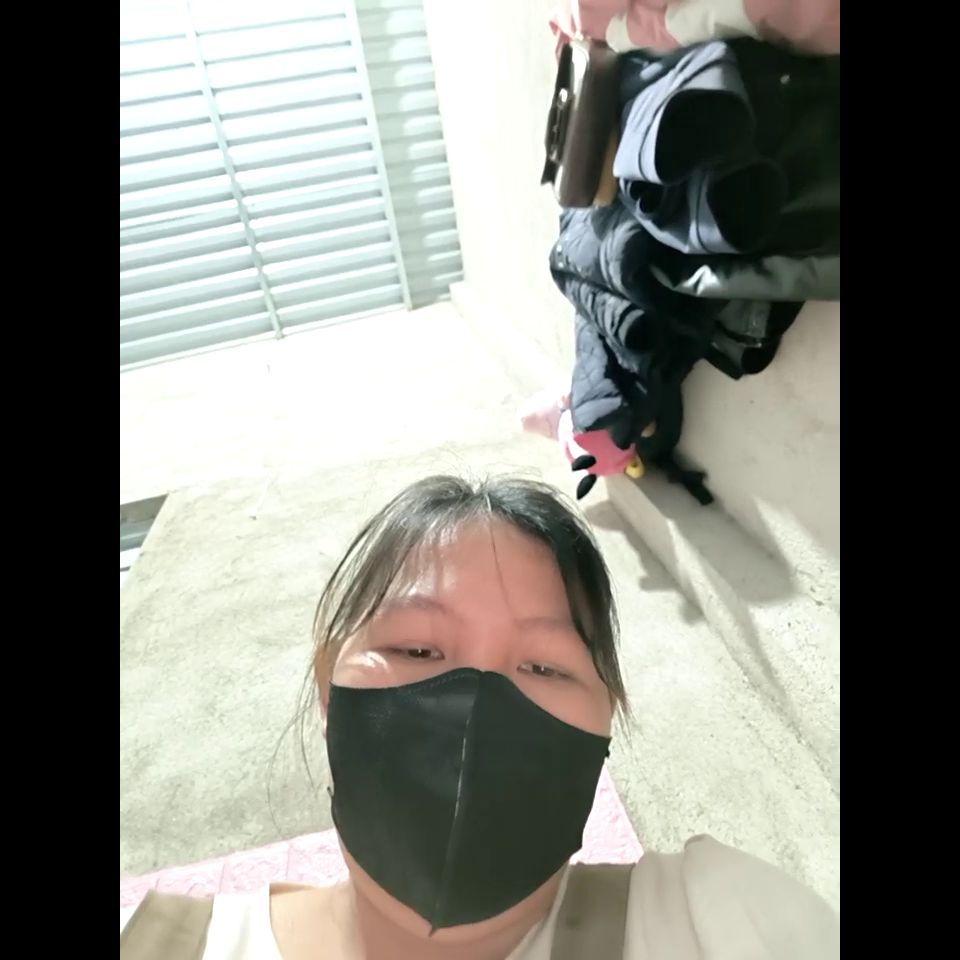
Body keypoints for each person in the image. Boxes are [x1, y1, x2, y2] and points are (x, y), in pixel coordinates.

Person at [120, 475, 839, 959]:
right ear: (328, 691)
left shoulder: (721, 924)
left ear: (604, 727)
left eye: (544, 667)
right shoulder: (154, 946)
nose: (473, 711)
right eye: (417, 648)